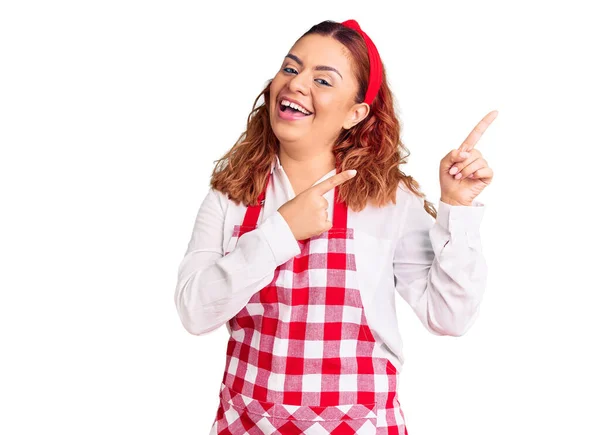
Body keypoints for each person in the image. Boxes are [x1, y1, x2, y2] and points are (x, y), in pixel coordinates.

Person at [174, 18, 496, 435]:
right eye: (291, 68)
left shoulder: (388, 201)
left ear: (355, 112)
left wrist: (457, 207)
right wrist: (280, 232)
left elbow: (449, 317)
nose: (296, 84)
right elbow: (194, 313)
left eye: (323, 81)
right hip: (247, 424)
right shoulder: (230, 196)